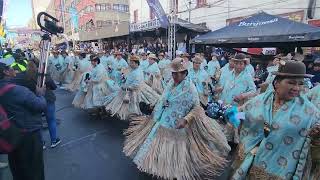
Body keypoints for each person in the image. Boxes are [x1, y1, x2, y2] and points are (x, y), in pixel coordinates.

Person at [123, 58, 230, 180]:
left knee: (174, 152)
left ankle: (170, 170)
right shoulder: (170, 83)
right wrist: (156, 106)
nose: (173, 76)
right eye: (172, 73)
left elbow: (196, 107)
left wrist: (186, 119)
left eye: (176, 73)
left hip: (178, 124)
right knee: (157, 145)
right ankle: (157, 167)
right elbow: (164, 98)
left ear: (184, 73)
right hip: (163, 119)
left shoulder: (190, 88)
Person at [231, 60, 320, 179]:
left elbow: (314, 141)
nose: (297, 88)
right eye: (291, 83)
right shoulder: (261, 100)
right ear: (277, 83)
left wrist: (316, 139)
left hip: (278, 170)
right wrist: (234, 115)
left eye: (300, 83)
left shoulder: (310, 112)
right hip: (248, 162)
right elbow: (246, 116)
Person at [0, 62, 46, 180]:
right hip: (28, 135)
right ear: (5, 71)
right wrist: (40, 95)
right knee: (34, 171)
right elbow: (40, 105)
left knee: (18, 170)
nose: (13, 69)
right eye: (10, 68)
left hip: (9, 135)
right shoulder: (16, 90)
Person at [104, 55, 159, 120]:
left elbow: (136, 84)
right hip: (129, 89)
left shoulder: (138, 71)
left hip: (135, 91)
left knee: (135, 106)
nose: (130, 64)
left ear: (136, 63)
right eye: (130, 63)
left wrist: (126, 87)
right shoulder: (135, 70)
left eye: (132, 63)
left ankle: (136, 117)